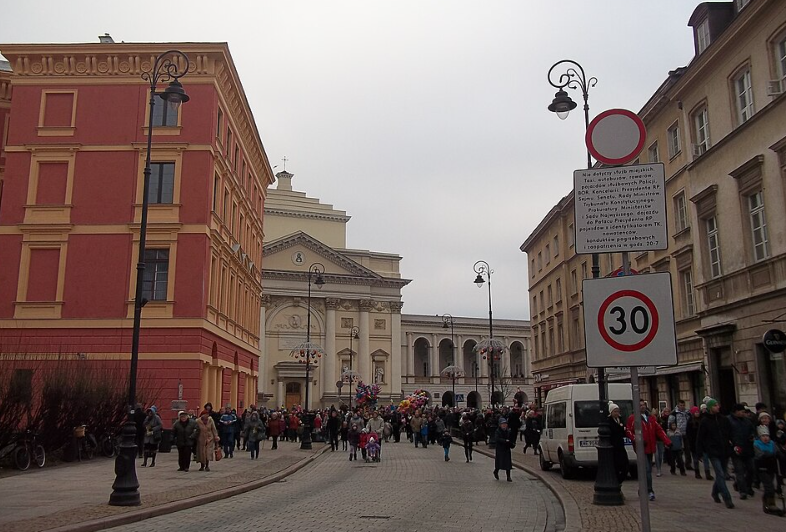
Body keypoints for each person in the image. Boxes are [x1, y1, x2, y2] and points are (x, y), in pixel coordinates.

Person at [626, 399, 671, 501]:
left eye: (643, 405)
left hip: (650, 448)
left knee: (648, 470)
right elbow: (628, 431)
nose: (642, 407)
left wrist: (667, 441)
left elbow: (659, 430)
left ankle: (642, 489)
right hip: (641, 448)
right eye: (640, 405)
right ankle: (650, 490)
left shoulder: (651, 418)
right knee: (646, 470)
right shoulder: (633, 418)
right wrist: (637, 440)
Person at [697, 398, 734, 508]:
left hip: (724, 450)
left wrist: (732, 446)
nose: (717, 407)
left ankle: (714, 492)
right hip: (713, 451)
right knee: (720, 474)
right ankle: (727, 497)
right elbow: (700, 437)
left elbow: (730, 434)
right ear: (709, 408)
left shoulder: (724, 419)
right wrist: (699, 452)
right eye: (715, 405)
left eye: (718, 405)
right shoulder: (705, 421)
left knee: (721, 474)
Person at [728, 403, 756, 500]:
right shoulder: (729, 420)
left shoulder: (747, 421)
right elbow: (725, 434)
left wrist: (752, 436)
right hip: (736, 450)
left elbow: (753, 430)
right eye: (742, 412)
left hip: (748, 449)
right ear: (736, 412)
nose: (744, 413)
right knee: (739, 471)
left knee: (751, 469)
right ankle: (743, 491)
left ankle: (746, 485)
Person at [754, 425, 783, 515]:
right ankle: (771, 504)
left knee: (769, 486)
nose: (765, 438)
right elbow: (759, 455)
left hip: (771, 468)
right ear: (760, 437)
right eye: (763, 436)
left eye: (767, 436)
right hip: (762, 468)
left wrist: (780, 455)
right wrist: (767, 455)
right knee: (769, 487)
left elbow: (778, 452)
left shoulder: (772, 444)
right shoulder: (757, 444)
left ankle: (766, 502)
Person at [687, 406, 712, 480]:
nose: (697, 413)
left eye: (698, 412)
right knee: (695, 459)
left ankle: (707, 473)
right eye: (696, 412)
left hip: (703, 443)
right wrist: (691, 443)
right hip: (694, 443)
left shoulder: (703, 420)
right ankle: (697, 472)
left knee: (705, 458)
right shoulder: (690, 422)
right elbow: (688, 434)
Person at [608, 402, 629, 484]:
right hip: (614, 447)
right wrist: (621, 428)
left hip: (620, 445)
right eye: (615, 411)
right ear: (611, 412)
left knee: (625, 465)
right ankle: (616, 482)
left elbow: (623, 430)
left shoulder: (620, 419)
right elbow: (614, 431)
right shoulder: (609, 421)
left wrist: (622, 429)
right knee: (616, 465)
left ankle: (619, 480)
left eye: (618, 411)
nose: (617, 413)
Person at [669, 399, 692, 470]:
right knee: (679, 450)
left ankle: (688, 464)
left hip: (686, 433)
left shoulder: (687, 412)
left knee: (687, 449)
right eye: (680, 405)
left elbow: (690, 421)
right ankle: (679, 463)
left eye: (683, 405)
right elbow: (670, 423)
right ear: (678, 405)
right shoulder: (674, 413)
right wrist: (672, 432)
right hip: (677, 434)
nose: (682, 407)